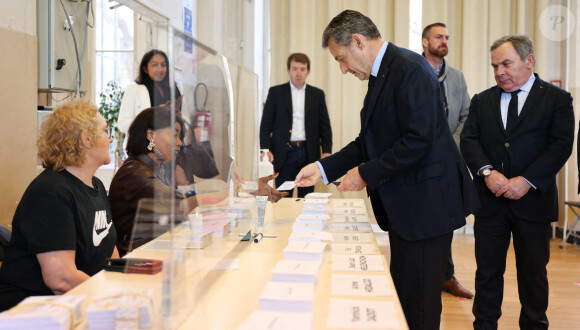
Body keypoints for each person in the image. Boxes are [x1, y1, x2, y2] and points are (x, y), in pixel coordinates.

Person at [295, 10, 479, 329]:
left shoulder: (408, 69)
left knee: (419, 306)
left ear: (357, 41)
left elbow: (418, 140)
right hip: (409, 207)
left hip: (425, 208)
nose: (342, 69)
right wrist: (322, 168)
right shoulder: (385, 72)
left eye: (341, 58)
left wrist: (365, 174)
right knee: (405, 298)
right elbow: (368, 140)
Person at [460, 35, 574, 329]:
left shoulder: (557, 99)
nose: (499, 72)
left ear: (529, 61)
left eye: (506, 64)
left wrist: (527, 180)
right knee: (487, 272)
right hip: (490, 203)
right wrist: (486, 172)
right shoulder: (482, 100)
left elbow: (560, 145)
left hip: (533, 202)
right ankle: (484, 325)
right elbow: (469, 140)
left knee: (533, 274)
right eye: (495, 66)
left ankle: (535, 324)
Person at [0, 100, 119, 311]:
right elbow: (61, 279)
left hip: (81, 304)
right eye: (105, 131)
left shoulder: (96, 186)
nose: (110, 138)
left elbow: (109, 253)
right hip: (35, 314)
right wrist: (112, 297)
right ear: (86, 139)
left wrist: (123, 285)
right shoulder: (51, 193)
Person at [422, 22, 473, 299]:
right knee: (419, 219)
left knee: (447, 219)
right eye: (438, 37)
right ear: (424, 41)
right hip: (416, 161)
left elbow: (465, 115)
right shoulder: (412, 71)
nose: (444, 41)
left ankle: (446, 276)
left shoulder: (457, 77)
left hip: (447, 160)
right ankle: (423, 277)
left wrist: (447, 148)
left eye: (447, 37)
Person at [109, 107, 197, 256]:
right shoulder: (136, 173)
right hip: (135, 262)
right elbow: (178, 206)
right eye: (174, 135)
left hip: (152, 253)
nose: (180, 143)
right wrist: (212, 198)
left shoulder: (154, 168)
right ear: (151, 135)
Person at [259, 53, 333, 197]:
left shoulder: (317, 95)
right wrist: (265, 149)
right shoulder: (275, 93)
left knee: (307, 197)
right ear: (288, 70)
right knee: (282, 195)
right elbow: (265, 125)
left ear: (308, 71)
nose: (298, 73)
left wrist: (326, 151)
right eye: (294, 69)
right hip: (284, 154)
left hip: (308, 153)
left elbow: (325, 127)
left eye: (302, 69)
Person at [118, 49, 188, 134]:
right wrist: (151, 118)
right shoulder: (134, 88)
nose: (160, 69)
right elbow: (122, 124)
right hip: (145, 144)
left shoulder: (175, 88)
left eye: (163, 65)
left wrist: (179, 118)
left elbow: (186, 118)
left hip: (172, 142)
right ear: (145, 69)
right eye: (155, 65)